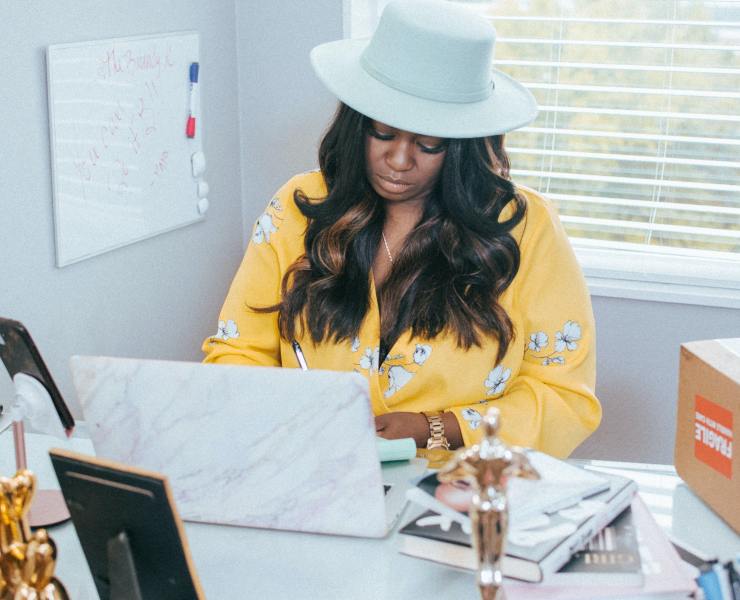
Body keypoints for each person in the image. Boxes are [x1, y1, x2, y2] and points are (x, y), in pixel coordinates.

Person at [203, 0, 601, 457]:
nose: (398, 160)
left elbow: (564, 398)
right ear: (358, 124)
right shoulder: (300, 207)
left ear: (464, 145)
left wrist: (435, 428)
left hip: (458, 483)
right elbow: (237, 353)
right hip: (311, 465)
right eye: (383, 133)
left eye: (428, 144)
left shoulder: (524, 228)